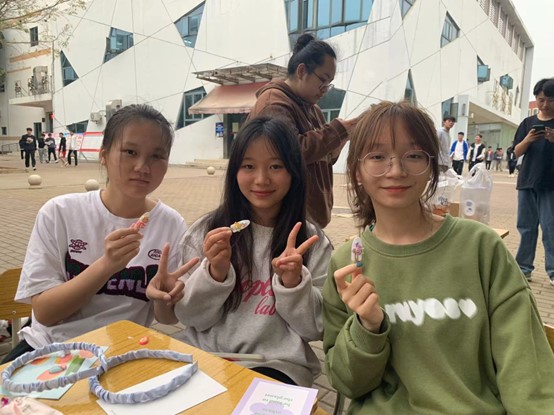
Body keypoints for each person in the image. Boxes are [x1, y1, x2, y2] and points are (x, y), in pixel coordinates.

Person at [322, 101, 554, 414]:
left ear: (432, 166)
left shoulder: (480, 247)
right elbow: (348, 384)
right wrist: (367, 327)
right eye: (377, 157)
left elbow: (528, 373)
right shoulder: (346, 265)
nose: (396, 170)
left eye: (414, 155)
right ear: (356, 171)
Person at [2, 104, 196, 363]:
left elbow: (167, 318)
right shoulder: (60, 213)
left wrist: (163, 298)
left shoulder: (171, 224)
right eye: (130, 152)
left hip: (122, 355)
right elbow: (45, 314)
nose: (143, 167)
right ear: (104, 155)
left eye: (156, 156)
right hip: (50, 351)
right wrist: (106, 266)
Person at [148, 117, 332, 387]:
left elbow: (316, 329)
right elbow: (190, 318)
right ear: (234, 172)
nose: (261, 179)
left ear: (294, 172)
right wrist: (215, 274)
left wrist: (293, 285)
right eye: (248, 166)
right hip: (204, 355)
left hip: (278, 365)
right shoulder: (206, 232)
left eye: (276, 166)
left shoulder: (311, 241)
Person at [247, 33, 358, 228]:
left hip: (309, 220)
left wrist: (339, 143)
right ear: (301, 71)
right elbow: (290, 152)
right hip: (285, 222)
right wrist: (338, 130)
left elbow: (318, 157)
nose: (325, 89)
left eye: (329, 83)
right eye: (323, 80)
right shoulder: (273, 103)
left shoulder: (313, 109)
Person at [512, 78, 554, 285]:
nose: (545, 104)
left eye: (551, 100)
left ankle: (553, 271)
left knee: (550, 228)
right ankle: (523, 268)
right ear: (536, 99)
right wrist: (528, 139)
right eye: (541, 100)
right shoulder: (527, 123)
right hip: (527, 181)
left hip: (551, 183)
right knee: (526, 227)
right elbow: (516, 152)